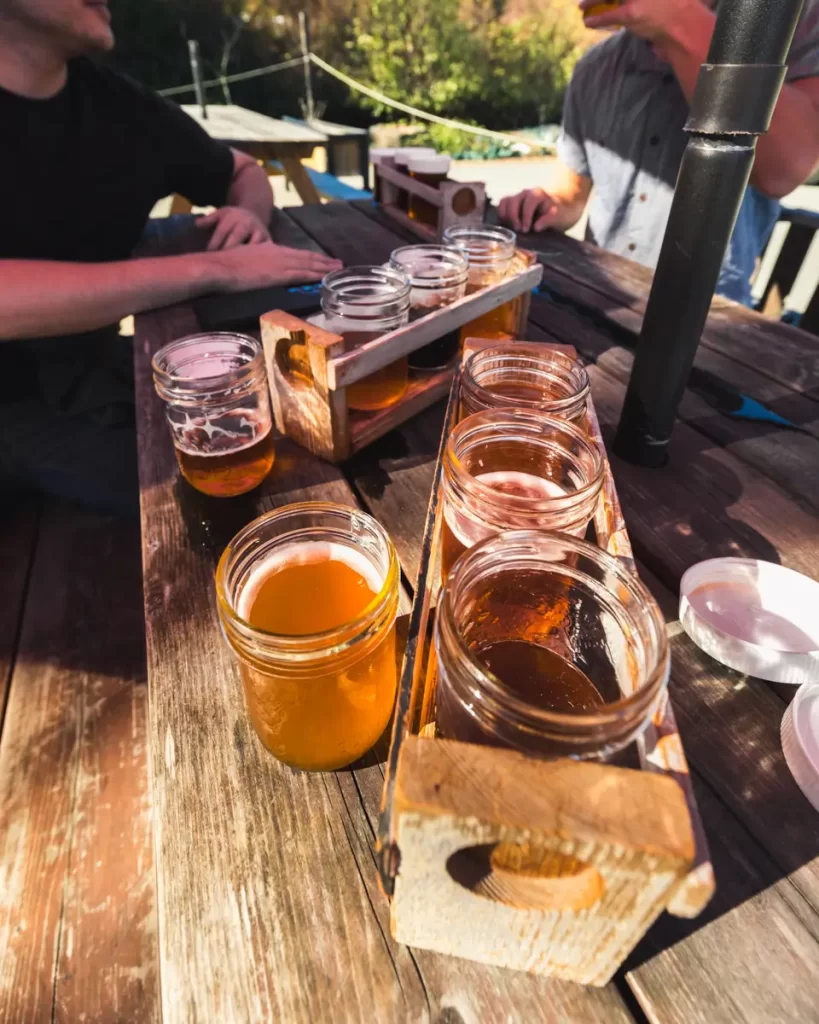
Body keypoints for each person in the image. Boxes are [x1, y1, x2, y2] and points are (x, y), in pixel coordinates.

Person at [0, 0, 340, 518]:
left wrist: (246, 216)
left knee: (306, 430)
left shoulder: (119, 106)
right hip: (17, 407)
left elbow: (242, 171)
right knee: (242, 503)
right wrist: (217, 270)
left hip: (92, 375)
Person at [499, 0, 819, 306]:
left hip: (712, 314)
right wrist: (549, 203)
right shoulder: (593, 67)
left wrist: (678, 19)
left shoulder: (789, 22)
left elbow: (786, 169)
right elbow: (571, 192)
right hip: (599, 295)